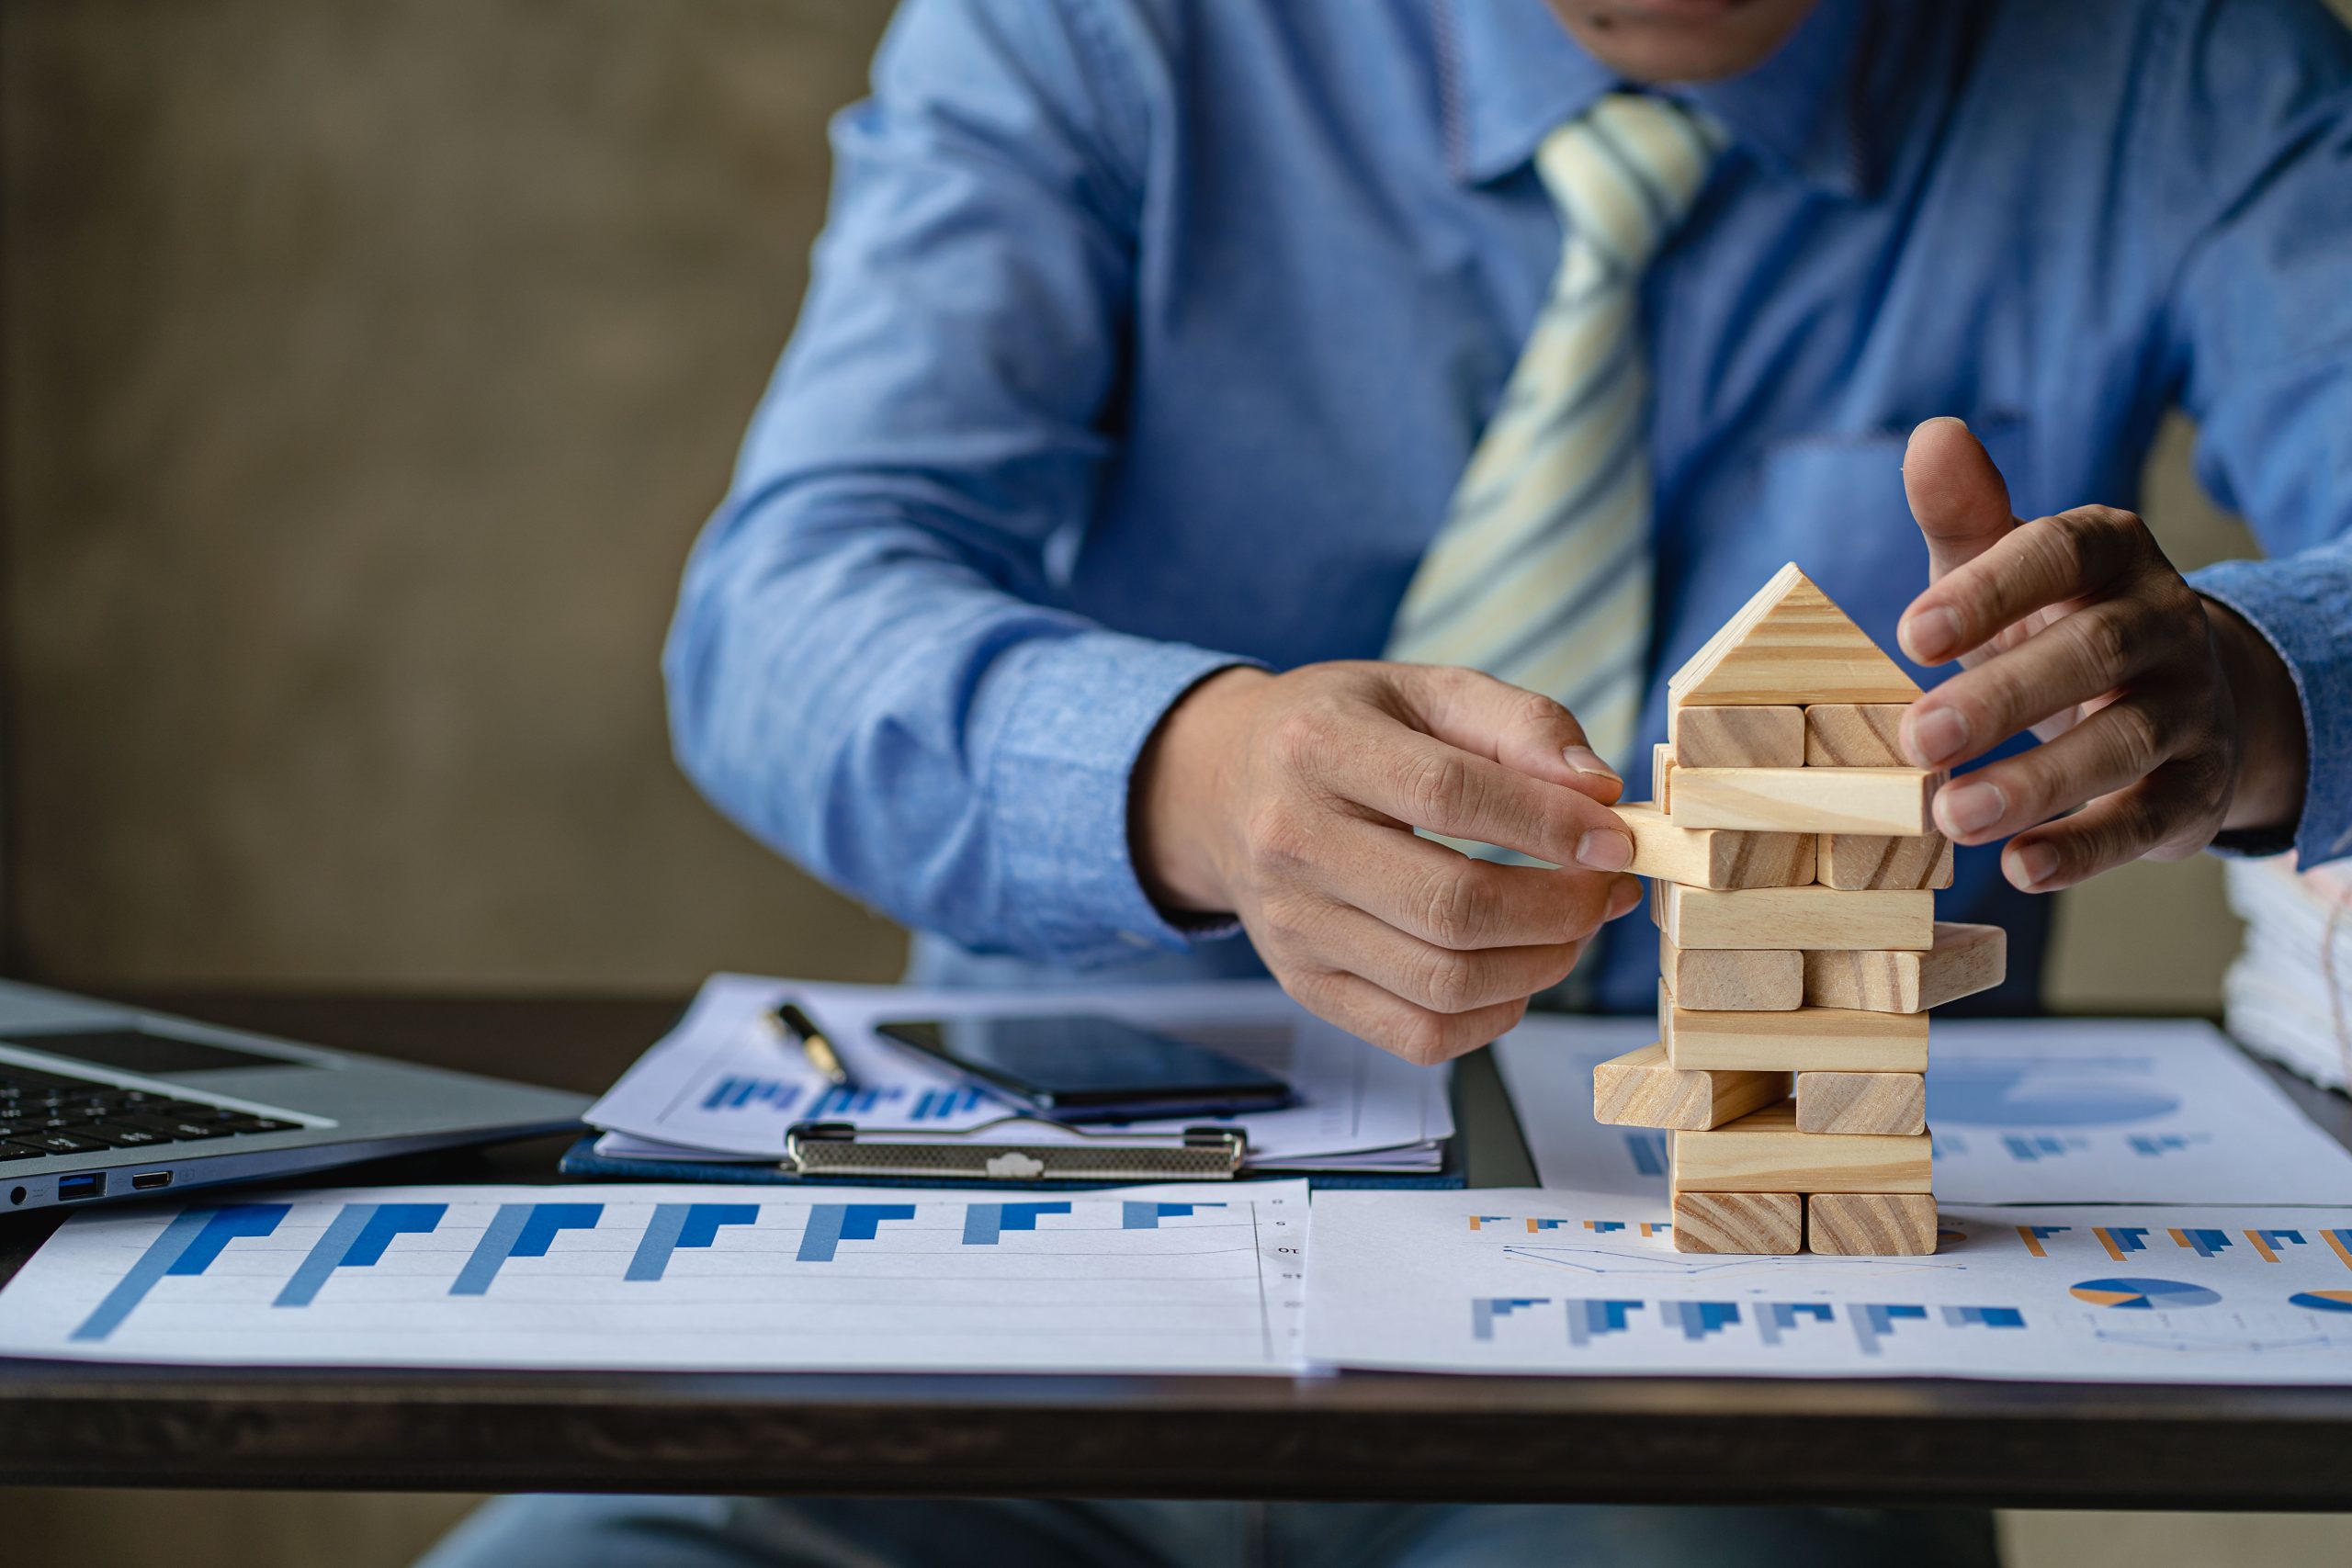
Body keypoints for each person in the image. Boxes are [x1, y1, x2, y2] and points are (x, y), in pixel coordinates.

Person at [424, 0, 2350, 1563]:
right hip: (1030, 1281)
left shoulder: (2182, 60)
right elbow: (781, 609)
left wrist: (2254, 691)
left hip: (1728, 1372)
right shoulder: (1097, 31)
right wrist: (1192, 777)